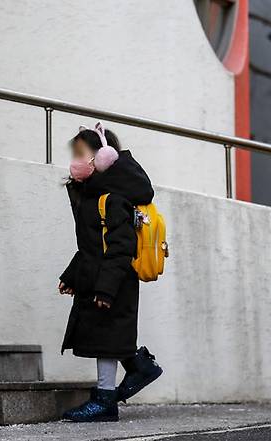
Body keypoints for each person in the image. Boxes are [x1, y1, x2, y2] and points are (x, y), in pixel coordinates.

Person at [59, 123, 163, 423]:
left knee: (106, 339)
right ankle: (140, 366)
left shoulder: (112, 199)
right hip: (100, 278)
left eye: (81, 153)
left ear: (103, 158)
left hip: (114, 281)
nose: (75, 160)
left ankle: (105, 401)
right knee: (107, 335)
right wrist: (72, 276)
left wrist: (106, 289)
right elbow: (91, 248)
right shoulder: (93, 195)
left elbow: (121, 248)